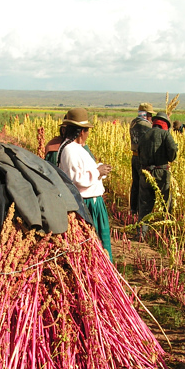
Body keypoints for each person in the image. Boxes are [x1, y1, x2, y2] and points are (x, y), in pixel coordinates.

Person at [57, 108, 113, 262]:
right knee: (94, 243)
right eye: (87, 130)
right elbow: (77, 178)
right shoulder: (70, 150)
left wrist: (100, 171)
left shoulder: (75, 148)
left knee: (99, 241)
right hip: (86, 205)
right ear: (81, 131)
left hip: (91, 202)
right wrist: (98, 171)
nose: (88, 134)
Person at [136, 111, 178, 241]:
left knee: (144, 204)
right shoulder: (165, 135)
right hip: (161, 173)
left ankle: (141, 233)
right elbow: (173, 153)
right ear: (165, 124)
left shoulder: (144, 135)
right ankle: (167, 234)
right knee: (165, 204)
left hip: (145, 173)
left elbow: (138, 152)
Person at [129, 103, 155, 218]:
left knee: (135, 184)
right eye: (150, 115)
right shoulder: (146, 125)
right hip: (142, 159)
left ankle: (133, 210)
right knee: (143, 186)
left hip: (134, 157)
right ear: (147, 114)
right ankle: (140, 213)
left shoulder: (134, 122)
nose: (151, 118)